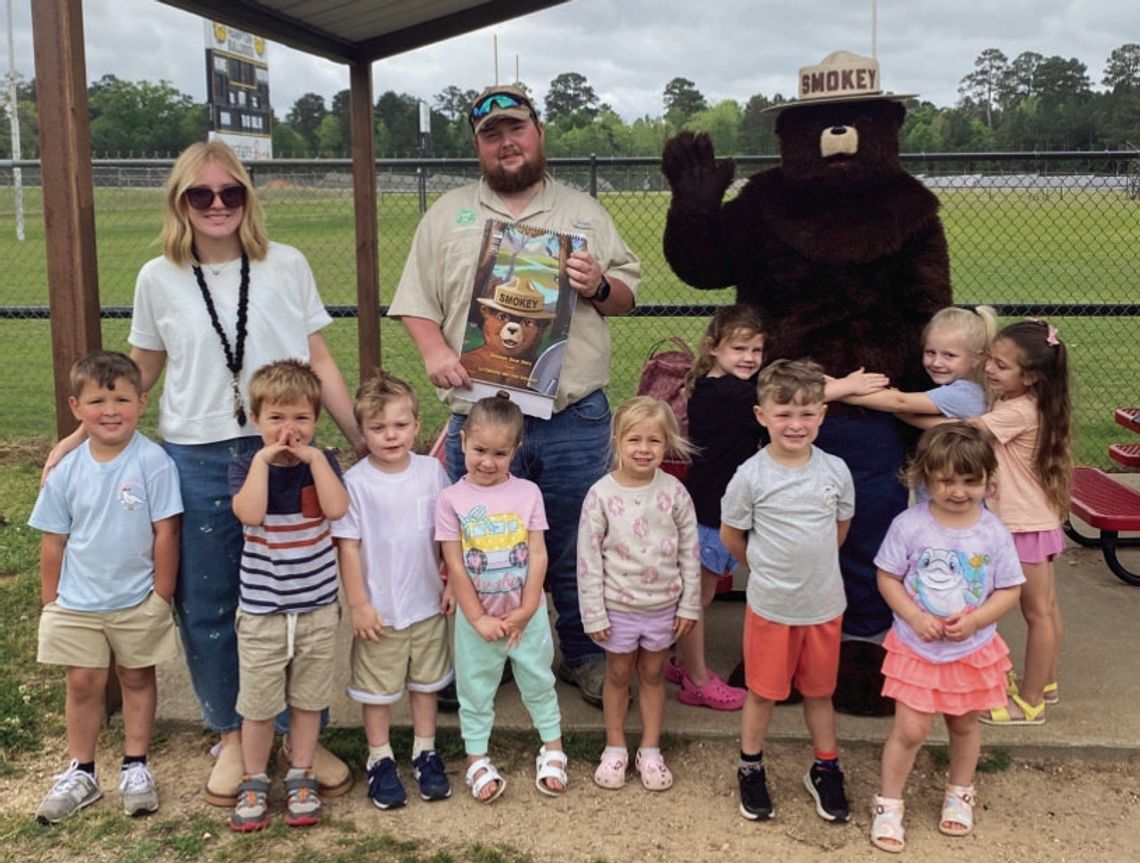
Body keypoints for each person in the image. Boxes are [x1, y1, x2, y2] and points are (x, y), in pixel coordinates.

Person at [44, 140, 363, 805]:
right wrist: (80, 432)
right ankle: (228, 733)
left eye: (231, 192)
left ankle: (297, 736)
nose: (217, 205)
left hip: (279, 450)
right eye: (201, 195)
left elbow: (320, 360)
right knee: (212, 603)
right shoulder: (157, 275)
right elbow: (141, 367)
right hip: (194, 452)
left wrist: (358, 436)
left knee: (299, 599)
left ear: (247, 197)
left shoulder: (287, 264)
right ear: (180, 203)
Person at [389, 83, 641, 707]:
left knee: (575, 542)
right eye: (491, 134)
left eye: (516, 128)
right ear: (479, 145)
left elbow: (628, 296)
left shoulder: (583, 211)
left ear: (538, 132)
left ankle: (583, 653)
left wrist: (598, 284)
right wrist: (435, 351)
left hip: (571, 414)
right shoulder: (448, 214)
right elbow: (415, 302)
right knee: (479, 544)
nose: (506, 142)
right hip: (481, 420)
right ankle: (484, 651)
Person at [30, 352, 183, 824]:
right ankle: (82, 771)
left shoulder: (153, 462)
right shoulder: (67, 470)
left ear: (142, 401)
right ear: (77, 407)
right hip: (77, 601)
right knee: (83, 681)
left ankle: (136, 765)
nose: (110, 410)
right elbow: (53, 540)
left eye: (121, 398)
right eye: (98, 400)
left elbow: (167, 531)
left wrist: (160, 594)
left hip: (137, 598)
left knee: (137, 676)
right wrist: (51, 601)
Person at [870, 423, 1024, 852]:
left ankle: (959, 793)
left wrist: (977, 621)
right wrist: (914, 615)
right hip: (916, 646)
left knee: (964, 723)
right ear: (925, 477)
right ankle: (889, 802)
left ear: (988, 481)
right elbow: (888, 576)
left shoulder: (993, 532)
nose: (959, 491)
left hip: (971, 649)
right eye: (947, 480)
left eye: (970, 481)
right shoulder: (909, 525)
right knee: (911, 729)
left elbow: (1009, 588)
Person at [720, 359, 855, 823]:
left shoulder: (836, 471)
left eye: (806, 413)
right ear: (762, 415)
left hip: (823, 607)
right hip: (772, 608)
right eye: (784, 413)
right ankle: (751, 765)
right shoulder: (751, 476)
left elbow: (840, 529)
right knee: (763, 692)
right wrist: (762, 566)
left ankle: (825, 766)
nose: (795, 425)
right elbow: (732, 535)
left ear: (822, 414)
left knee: (820, 692)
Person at [226, 360, 348, 831]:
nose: (288, 430)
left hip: (316, 608)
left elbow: (337, 509)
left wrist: (317, 460)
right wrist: (261, 461)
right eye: (276, 418)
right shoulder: (244, 466)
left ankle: (301, 773)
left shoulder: (324, 464)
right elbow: (250, 514)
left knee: (307, 700)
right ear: (256, 420)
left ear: (314, 422)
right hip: (263, 613)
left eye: (300, 418)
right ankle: (254, 778)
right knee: (257, 705)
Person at [330, 371, 454, 810]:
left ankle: (425, 751)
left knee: (426, 685)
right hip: (380, 610)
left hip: (425, 604)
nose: (390, 436)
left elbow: (447, 535)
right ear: (362, 431)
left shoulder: (432, 473)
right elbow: (348, 547)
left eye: (400, 426)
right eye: (379, 428)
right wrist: (359, 604)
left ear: (417, 426)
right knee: (377, 691)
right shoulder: (357, 482)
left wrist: (452, 581)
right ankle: (379, 757)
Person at [434, 395, 567, 803]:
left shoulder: (527, 494)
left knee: (539, 680)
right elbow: (454, 565)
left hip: (525, 616)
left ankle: (553, 747)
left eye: (499, 453)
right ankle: (477, 756)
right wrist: (477, 619)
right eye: (479, 450)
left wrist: (528, 610)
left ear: (515, 450)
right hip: (480, 621)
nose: (487, 462)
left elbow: (538, 554)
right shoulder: (450, 501)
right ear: (462, 442)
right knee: (475, 690)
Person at [578, 396, 701, 790]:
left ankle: (650, 749)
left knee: (652, 674)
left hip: (663, 606)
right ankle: (615, 747)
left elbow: (689, 552)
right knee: (617, 673)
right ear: (617, 440)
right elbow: (588, 559)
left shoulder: (676, 493)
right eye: (635, 440)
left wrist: (689, 604)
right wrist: (593, 612)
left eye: (654, 441)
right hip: (618, 607)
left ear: (667, 445)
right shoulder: (600, 495)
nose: (644, 449)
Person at [968, 319, 1072, 726]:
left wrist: (899, 409)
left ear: (1030, 376)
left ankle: (1029, 703)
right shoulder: (1025, 402)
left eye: (1001, 365)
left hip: (1024, 527)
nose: (990, 369)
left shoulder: (1018, 411)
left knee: (1037, 613)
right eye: (990, 359)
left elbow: (962, 430)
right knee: (1045, 608)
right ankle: (1043, 681)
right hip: (1034, 521)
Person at [840, 305, 998, 433]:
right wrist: (904, 416)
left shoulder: (964, 393)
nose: (936, 362)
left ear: (977, 358)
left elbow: (899, 402)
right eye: (930, 352)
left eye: (949, 355)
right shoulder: (977, 390)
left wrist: (843, 390)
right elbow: (946, 427)